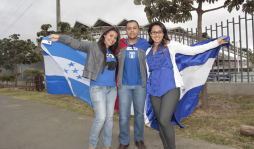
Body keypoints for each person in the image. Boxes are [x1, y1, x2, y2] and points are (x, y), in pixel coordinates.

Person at [145, 21, 228, 149]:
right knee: (160, 122)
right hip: (153, 90)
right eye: (154, 32)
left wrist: (215, 43)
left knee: (164, 120)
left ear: (163, 33)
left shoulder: (171, 45)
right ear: (150, 34)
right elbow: (148, 72)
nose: (157, 34)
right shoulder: (148, 52)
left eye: (159, 31)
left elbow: (193, 50)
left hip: (170, 88)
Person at [48, 26, 120, 149]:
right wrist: (60, 37)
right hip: (97, 88)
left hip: (112, 89)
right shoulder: (93, 46)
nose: (112, 39)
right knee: (101, 118)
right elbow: (76, 44)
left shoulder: (114, 52)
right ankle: (92, 146)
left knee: (109, 119)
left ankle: (107, 146)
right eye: (111, 35)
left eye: (115, 38)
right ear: (104, 35)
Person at [116, 20, 150, 149]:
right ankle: (124, 141)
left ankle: (139, 139)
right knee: (123, 115)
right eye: (129, 28)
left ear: (138, 30)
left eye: (134, 28)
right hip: (124, 85)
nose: (132, 30)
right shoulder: (120, 44)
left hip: (140, 85)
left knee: (139, 114)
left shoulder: (145, 44)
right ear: (126, 30)